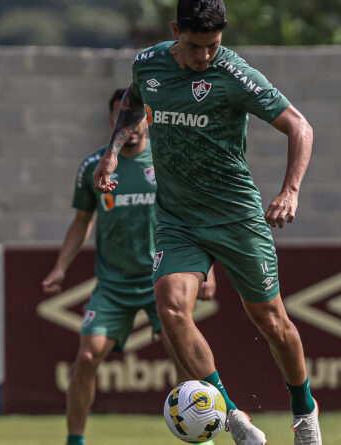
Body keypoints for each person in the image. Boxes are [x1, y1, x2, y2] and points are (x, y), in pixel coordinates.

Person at [92, 2, 320, 445]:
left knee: (271, 321)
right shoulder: (148, 64)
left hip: (236, 216)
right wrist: (114, 149)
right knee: (172, 308)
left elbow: (300, 126)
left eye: (214, 46)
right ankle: (232, 417)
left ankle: (305, 412)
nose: (205, 57)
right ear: (176, 31)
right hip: (178, 218)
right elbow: (134, 103)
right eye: (196, 47)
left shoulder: (234, 74)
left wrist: (290, 191)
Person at [43, 88, 217, 445]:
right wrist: (61, 267)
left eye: (138, 118)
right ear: (113, 122)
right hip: (112, 285)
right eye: (125, 118)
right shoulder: (95, 166)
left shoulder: (166, 162)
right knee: (87, 358)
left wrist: (208, 269)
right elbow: (81, 222)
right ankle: (75, 441)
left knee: (181, 354)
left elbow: (190, 216)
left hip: (163, 278)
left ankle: (201, 439)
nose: (133, 126)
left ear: (147, 119)